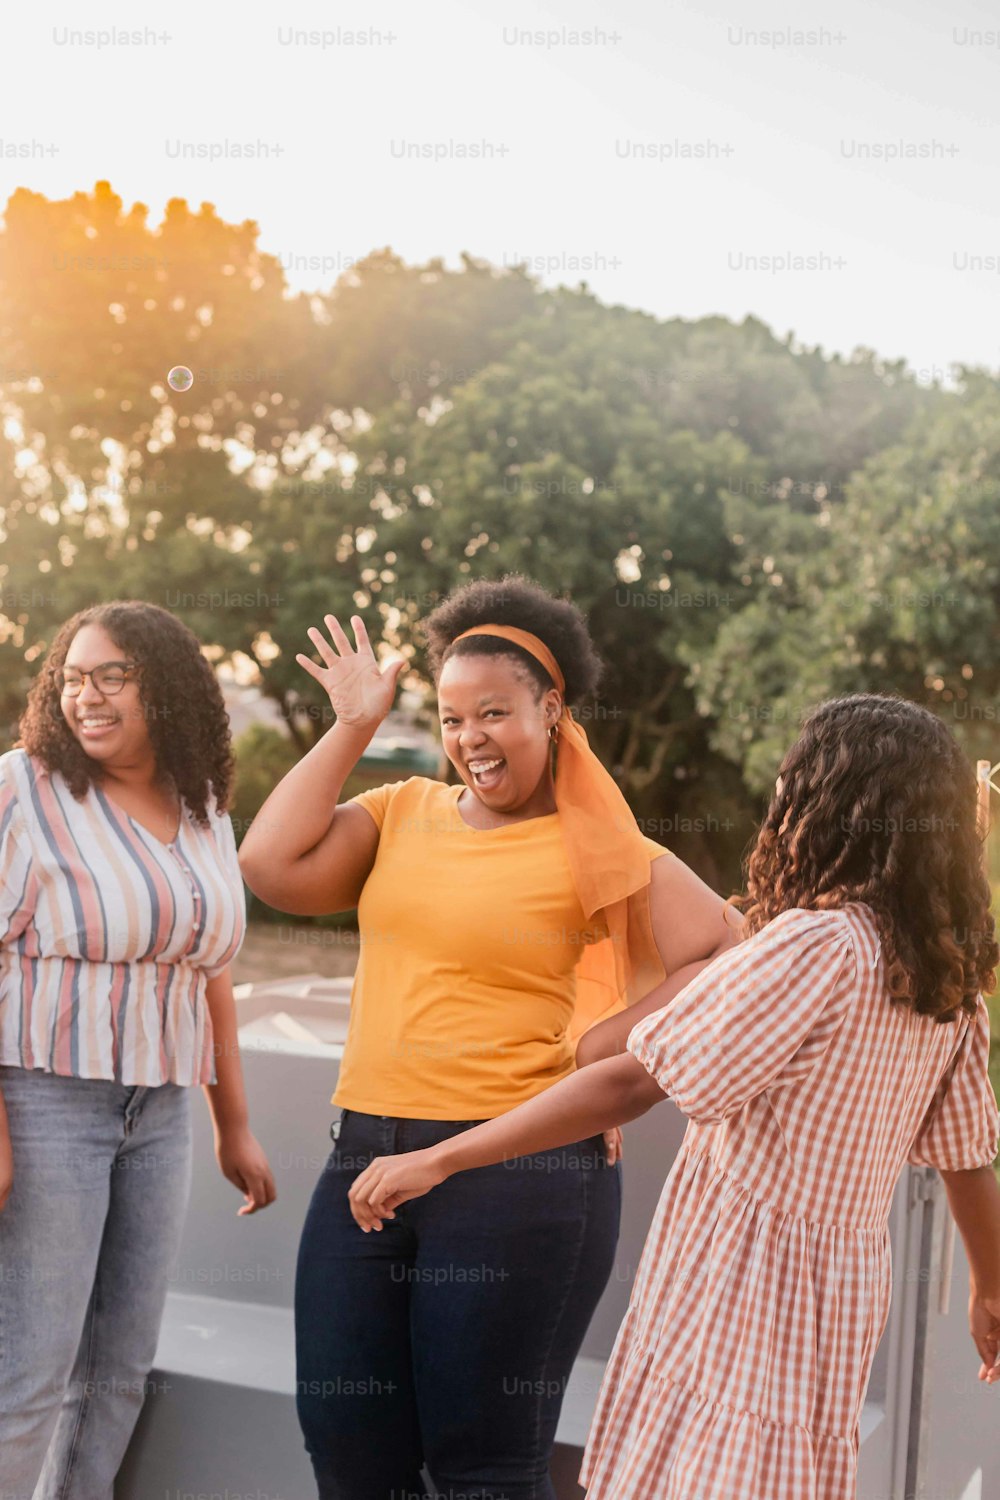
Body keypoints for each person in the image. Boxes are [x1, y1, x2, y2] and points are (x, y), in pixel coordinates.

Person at [349, 693, 1000, 1500]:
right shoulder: (946, 978)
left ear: (825, 802)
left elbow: (631, 1079)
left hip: (740, 1280)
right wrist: (989, 1287)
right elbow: (969, 1155)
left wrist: (441, 1158)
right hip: (842, 1289)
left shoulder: (814, 945)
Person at [237, 575, 743, 1499]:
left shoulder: (603, 845)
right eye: (454, 716)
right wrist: (352, 726)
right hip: (366, 1159)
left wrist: (607, 1041)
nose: (471, 738)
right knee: (351, 1453)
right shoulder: (401, 814)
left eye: (496, 713)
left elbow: (723, 951)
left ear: (551, 710)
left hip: (520, 1177)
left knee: (484, 1470)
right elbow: (269, 866)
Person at [0, 600, 276, 1500]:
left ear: (166, 686)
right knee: (28, 1374)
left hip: (158, 1114)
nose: (88, 695)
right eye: (74, 677)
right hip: (44, 1101)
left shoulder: (203, 808)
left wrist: (234, 1127)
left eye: (112, 675)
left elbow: (210, 975)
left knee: (118, 1369)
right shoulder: (23, 789)